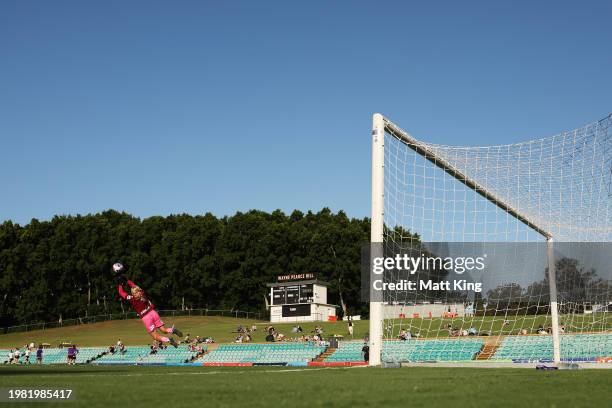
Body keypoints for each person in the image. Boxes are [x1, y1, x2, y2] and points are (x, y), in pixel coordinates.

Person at [113, 262, 183, 347]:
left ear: (133, 293)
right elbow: (134, 286)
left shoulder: (132, 299)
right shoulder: (142, 293)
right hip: (153, 312)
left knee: (155, 336)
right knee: (164, 330)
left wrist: (120, 283)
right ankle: (173, 330)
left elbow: (121, 292)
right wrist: (127, 280)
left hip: (146, 317)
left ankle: (169, 340)